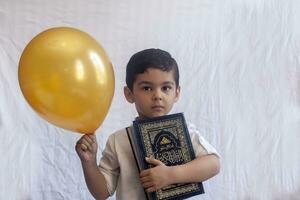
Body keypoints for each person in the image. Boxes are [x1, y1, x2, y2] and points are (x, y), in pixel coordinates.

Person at [75, 48, 220, 200]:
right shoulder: (118, 140)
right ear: (129, 94)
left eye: (166, 88)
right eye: (147, 88)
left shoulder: (185, 131)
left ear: (177, 93)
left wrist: (171, 175)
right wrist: (89, 162)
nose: (157, 96)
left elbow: (213, 164)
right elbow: (101, 193)